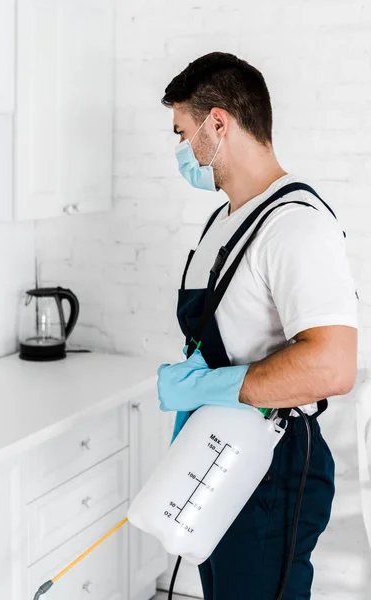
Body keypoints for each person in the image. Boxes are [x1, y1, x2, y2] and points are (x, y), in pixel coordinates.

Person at [156, 52, 358, 600]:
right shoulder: (224, 220)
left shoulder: (296, 226)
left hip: (272, 469)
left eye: (182, 133)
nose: (181, 151)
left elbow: (333, 365)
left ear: (217, 124)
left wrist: (211, 386)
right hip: (220, 452)